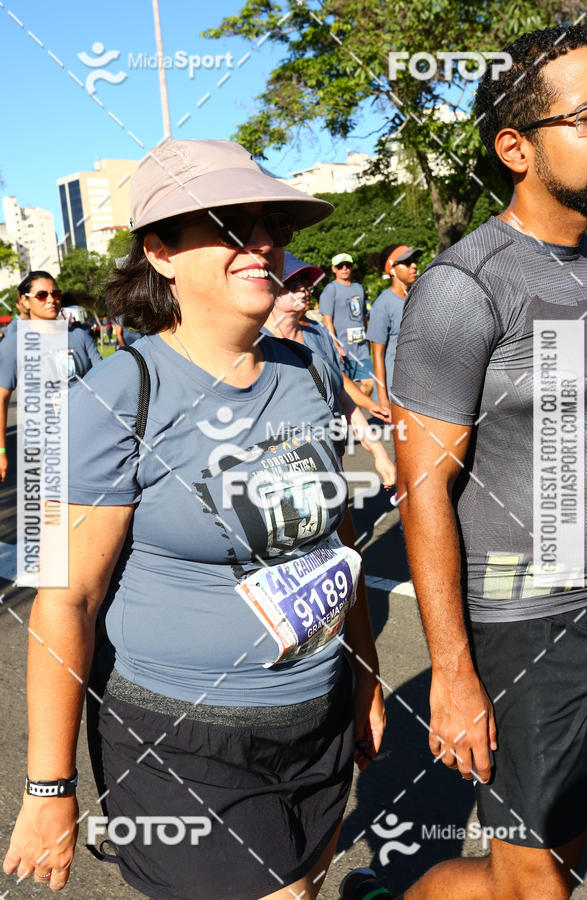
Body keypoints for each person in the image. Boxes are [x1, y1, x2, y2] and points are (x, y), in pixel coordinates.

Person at [3, 139, 385, 899]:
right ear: (161, 253)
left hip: (316, 718)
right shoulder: (111, 397)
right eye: (232, 225)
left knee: (303, 888)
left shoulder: (307, 368)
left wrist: (366, 676)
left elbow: (335, 542)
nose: (263, 242)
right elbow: (65, 601)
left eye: (272, 225)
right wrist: (48, 788)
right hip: (182, 740)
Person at [391, 24, 587, 899]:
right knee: (531, 884)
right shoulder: (464, 286)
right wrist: (452, 673)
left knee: (569, 853)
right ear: (516, 148)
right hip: (527, 623)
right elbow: (422, 488)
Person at [264, 251, 395, 487]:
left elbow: (344, 399)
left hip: (332, 456)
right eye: (292, 284)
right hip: (288, 470)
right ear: (271, 291)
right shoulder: (258, 344)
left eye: (305, 283)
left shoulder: (319, 334)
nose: (303, 289)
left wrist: (379, 453)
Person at [0, 271, 101, 484]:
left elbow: (104, 381)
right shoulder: (13, 345)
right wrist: (1, 451)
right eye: (42, 295)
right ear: (25, 301)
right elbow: (1, 399)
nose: (51, 300)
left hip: (89, 439)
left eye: (56, 294)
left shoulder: (79, 337)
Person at [366, 245, 421, 408]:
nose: (414, 266)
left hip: (419, 388)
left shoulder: (417, 297)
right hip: (396, 392)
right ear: (392, 269)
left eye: (414, 261)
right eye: (407, 262)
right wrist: (383, 398)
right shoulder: (382, 305)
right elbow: (377, 354)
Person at [319, 253, 374, 396]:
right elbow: (327, 321)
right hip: (343, 350)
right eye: (340, 266)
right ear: (334, 269)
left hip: (362, 348)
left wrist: (369, 340)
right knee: (346, 391)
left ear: (352, 267)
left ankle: (357, 411)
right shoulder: (331, 289)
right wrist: (336, 346)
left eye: (348, 265)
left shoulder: (359, 288)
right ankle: (351, 411)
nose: (344, 268)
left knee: (369, 384)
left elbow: (364, 317)